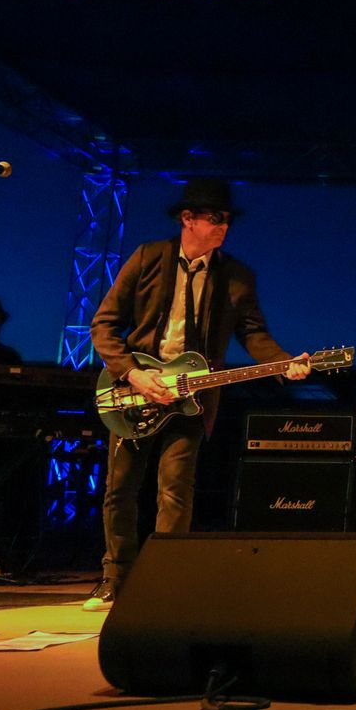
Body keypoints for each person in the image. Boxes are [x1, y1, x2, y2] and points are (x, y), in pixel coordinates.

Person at [84, 178, 309, 610]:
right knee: (120, 489)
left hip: (192, 398)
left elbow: (253, 334)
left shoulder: (236, 276)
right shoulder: (148, 257)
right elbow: (104, 324)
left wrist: (285, 363)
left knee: (175, 489)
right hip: (135, 390)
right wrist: (133, 374)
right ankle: (115, 578)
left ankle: (164, 581)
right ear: (187, 219)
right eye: (214, 218)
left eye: (226, 220)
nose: (223, 226)